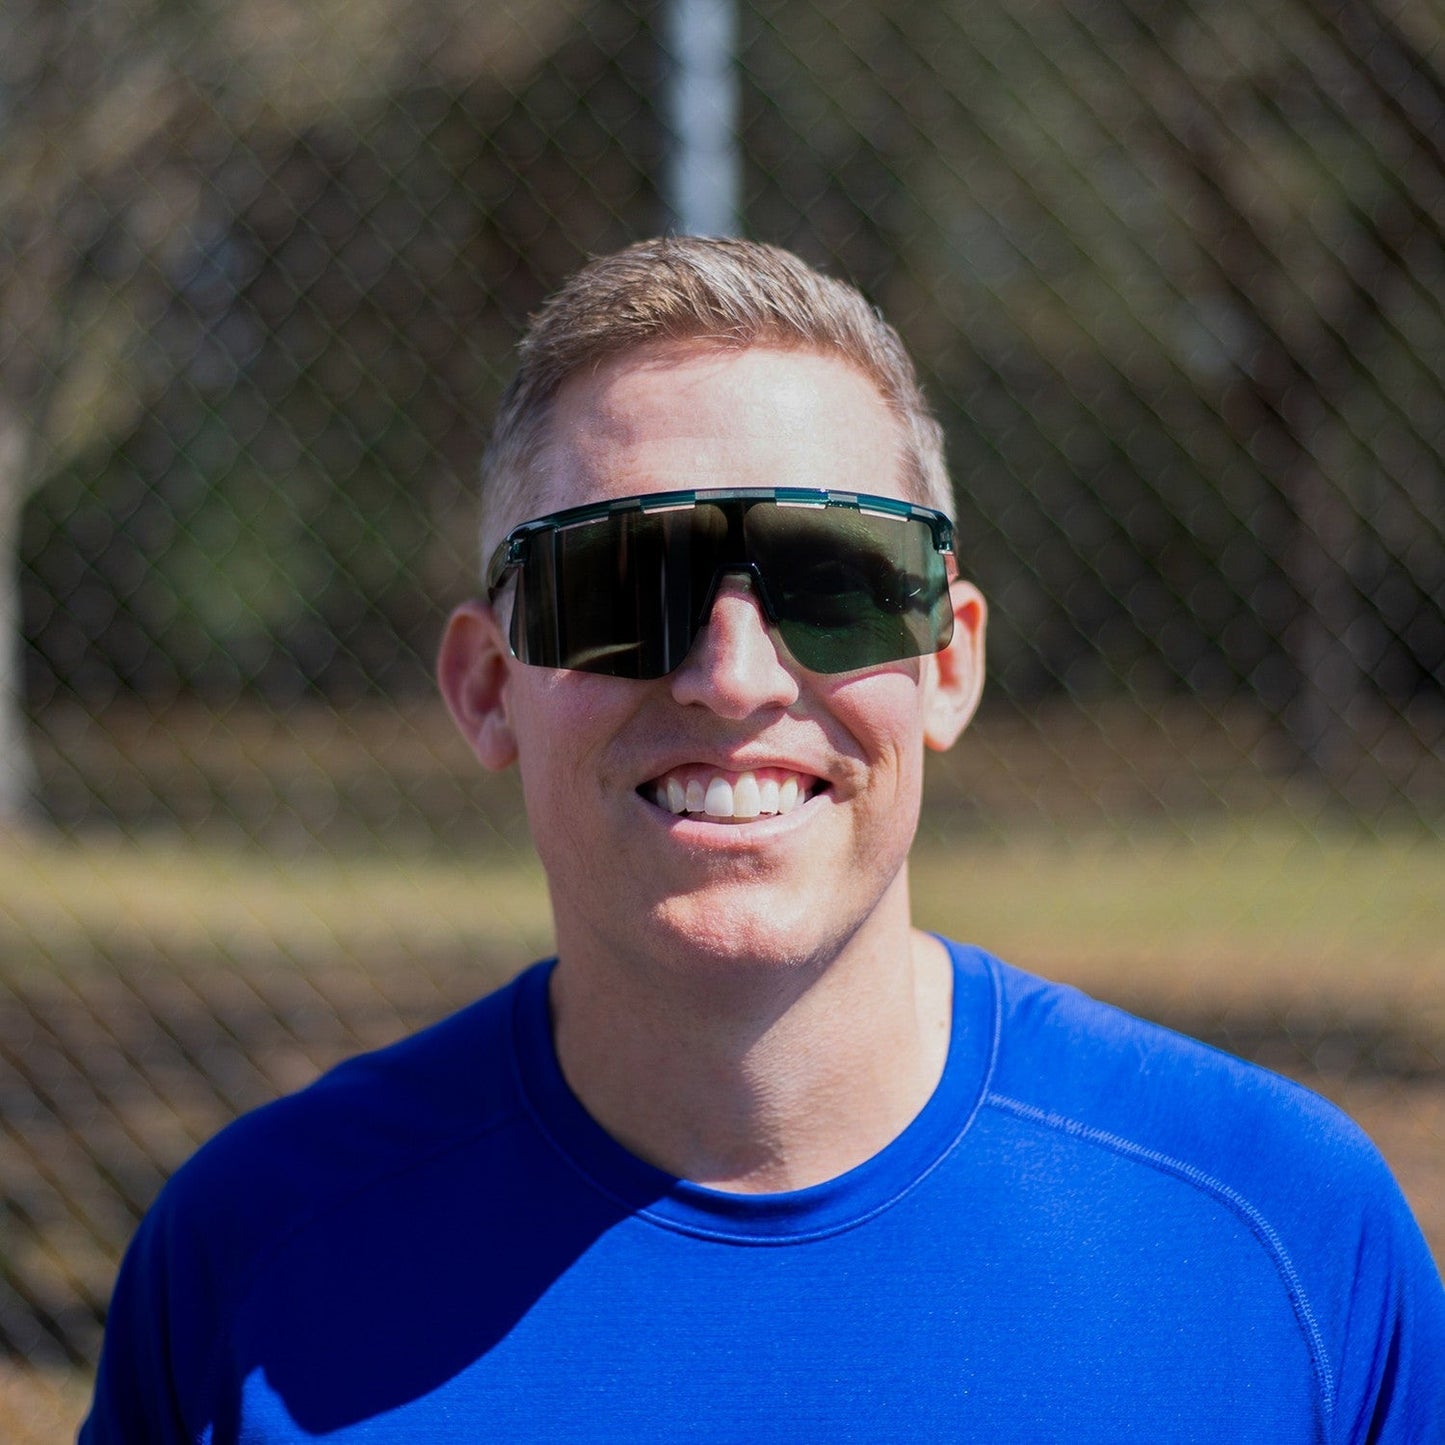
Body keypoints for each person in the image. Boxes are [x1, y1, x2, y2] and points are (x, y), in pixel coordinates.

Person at [82, 236, 1444, 1442]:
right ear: (486, 686)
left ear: (949, 661)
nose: (732, 676)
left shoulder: (1280, 1242)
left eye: (833, 580)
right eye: (619, 584)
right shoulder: (252, 1258)